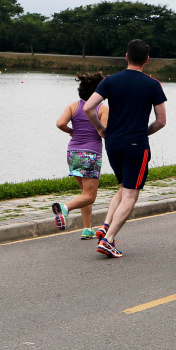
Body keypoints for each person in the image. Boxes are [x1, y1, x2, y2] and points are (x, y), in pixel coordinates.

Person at [84, 39, 167, 258]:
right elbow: (161, 121)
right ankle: (109, 240)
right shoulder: (153, 85)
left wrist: (101, 129)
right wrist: (143, 133)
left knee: (122, 187)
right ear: (147, 60)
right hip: (136, 145)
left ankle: (105, 225)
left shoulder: (110, 81)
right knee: (131, 194)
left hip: (112, 143)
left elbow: (88, 107)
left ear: (126, 56)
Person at [53, 72, 109, 239]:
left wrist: (72, 131)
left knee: (84, 193)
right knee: (90, 195)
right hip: (91, 154)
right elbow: (104, 132)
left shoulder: (73, 106)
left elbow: (60, 123)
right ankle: (65, 208)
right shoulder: (103, 108)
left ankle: (87, 228)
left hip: (73, 153)